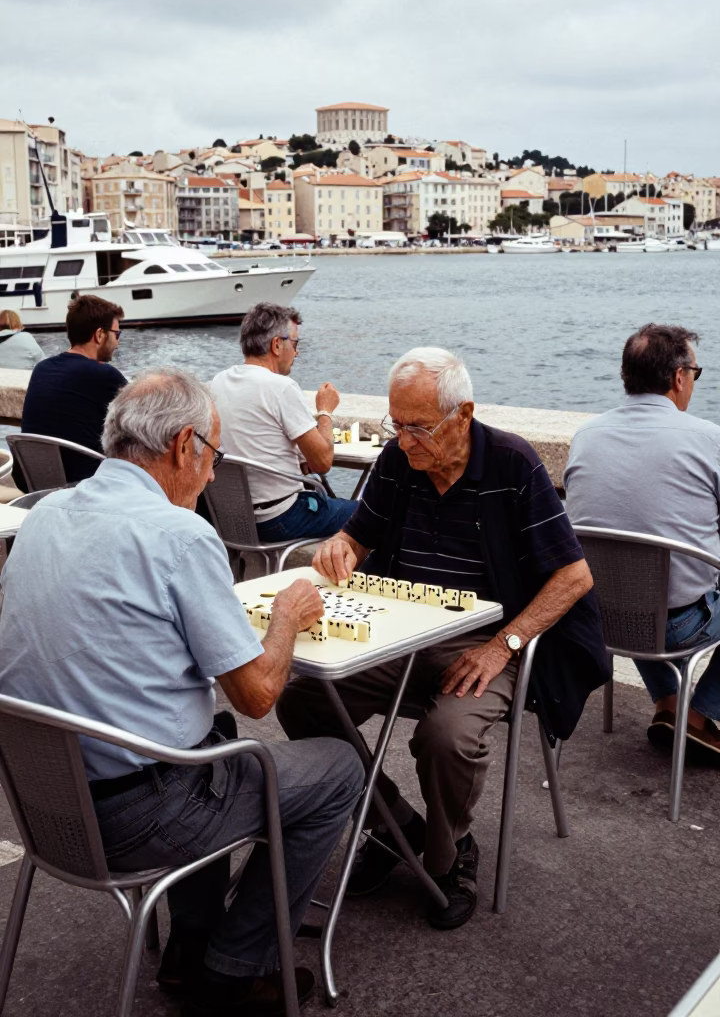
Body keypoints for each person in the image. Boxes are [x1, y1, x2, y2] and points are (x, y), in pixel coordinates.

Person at [0, 369, 363, 1016]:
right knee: (337, 769)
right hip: (136, 819)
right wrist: (285, 616)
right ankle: (235, 965)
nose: (213, 476)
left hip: (44, 808)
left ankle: (190, 948)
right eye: (215, 457)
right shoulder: (179, 535)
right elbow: (256, 694)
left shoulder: (44, 516)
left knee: (212, 738)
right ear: (183, 446)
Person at [277, 347, 608, 930]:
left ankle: (448, 854)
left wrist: (503, 645)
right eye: (395, 425)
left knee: (447, 735)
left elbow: (574, 576)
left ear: (463, 414)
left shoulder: (512, 463)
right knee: (300, 699)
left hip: (487, 642)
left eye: (418, 428)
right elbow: (358, 537)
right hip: (400, 635)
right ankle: (394, 824)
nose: (405, 442)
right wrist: (341, 549)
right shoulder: (398, 459)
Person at [565, 322, 720, 757]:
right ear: (678, 377)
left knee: (636, 580)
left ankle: (669, 703)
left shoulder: (586, 436)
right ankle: (698, 712)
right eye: (696, 374)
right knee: (670, 595)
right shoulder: (708, 439)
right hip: (674, 626)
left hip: (602, 618)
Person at [209, 302, 357, 543]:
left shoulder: (218, 382)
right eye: (295, 343)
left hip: (230, 520)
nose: (297, 352)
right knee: (373, 515)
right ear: (277, 344)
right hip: (280, 518)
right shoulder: (280, 388)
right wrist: (325, 411)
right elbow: (322, 463)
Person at [20, 293, 127, 481]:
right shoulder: (104, 375)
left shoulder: (42, 369)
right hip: (86, 485)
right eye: (116, 334)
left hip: (36, 482)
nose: (117, 342)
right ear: (100, 334)